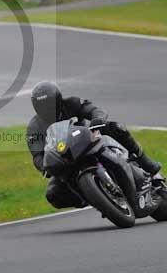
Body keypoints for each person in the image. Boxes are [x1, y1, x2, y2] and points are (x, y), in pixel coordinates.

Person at [26, 81, 163, 209]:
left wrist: (97, 119)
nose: (46, 109)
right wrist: (44, 166)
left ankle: (144, 161)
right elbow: (37, 155)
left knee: (117, 127)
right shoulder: (34, 127)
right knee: (53, 194)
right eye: (42, 106)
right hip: (65, 158)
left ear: (58, 100)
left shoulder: (72, 103)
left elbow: (94, 109)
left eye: (49, 104)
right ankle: (89, 198)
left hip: (90, 139)